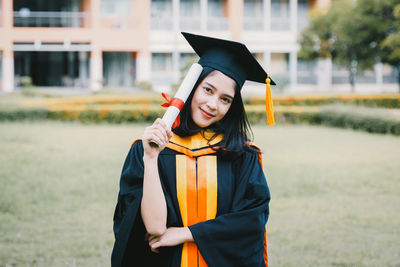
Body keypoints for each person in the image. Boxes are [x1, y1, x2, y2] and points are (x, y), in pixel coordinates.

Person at [111, 32, 275, 267]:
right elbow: (155, 229)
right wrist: (150, 158)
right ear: (191, 88)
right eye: (207, 90)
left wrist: (185, 233)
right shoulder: (147, 149)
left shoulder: (243, 155)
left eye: (225, 99)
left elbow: (250, 222)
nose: (213, 105)